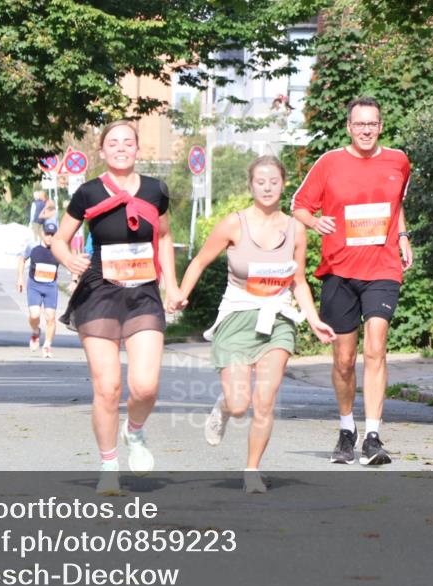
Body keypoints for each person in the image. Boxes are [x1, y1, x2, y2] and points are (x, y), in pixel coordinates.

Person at [176, 156, 336, 492]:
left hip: (277, 319)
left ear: (283, 184)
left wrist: (314, 319)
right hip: (237, 317)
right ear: (250, 185)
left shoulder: (295, 228)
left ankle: (252, 470)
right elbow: (200, 261)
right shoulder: (233, 225)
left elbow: (299, 281)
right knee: (239, 404)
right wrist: (180, 294)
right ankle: (223, 407)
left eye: (273, 181)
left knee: (265, 399)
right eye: (260, 181)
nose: (266, 187)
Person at [52, 120, 182, 494]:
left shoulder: (157, 190)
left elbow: (165, 235)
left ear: (138, 149)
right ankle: (109, 464)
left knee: (145, 386)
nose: (121, 147)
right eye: (113, 142)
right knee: (108, 387)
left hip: (143, 293)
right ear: (103, 150)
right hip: (99, 292)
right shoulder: (88, 192)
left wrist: (171, 284)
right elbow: (61, 240)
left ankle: (135, 432)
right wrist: (69, 260)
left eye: (128, 142)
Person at [291, 96, 413, 466]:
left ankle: (373, 435)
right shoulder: (329, 163)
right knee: (344, 359)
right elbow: (299, 205)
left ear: (380, 126)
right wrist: (314, 222)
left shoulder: (398, 161)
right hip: (339, 271)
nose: (365, 130)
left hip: (383, 268)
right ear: (349, 126)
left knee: (376, 346)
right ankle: (347, 429)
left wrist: (404, 237)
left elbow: (396, 205)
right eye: (359, 124)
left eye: (372, 124)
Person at [16, 223, 64, 358]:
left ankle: (47, 345)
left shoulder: (59, 249)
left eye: (53, 234)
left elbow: (70, 261)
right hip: (34, 286)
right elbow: (22, 259)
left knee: (51, 318)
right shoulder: (33, 246)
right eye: (48, 234)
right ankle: (35, 331)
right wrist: (20, 278)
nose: (50, 237)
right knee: (35, 315)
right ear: (43, 234)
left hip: (50, 286)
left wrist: (74, 279)